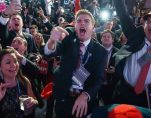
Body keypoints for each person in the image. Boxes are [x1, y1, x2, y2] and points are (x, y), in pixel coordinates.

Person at [44, 9, 107, 118]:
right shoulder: (68, 36)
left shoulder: (100, 51)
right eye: (79, 21)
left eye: (87, 21)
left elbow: (98, 79)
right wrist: (51, 41)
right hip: (63, 98)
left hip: (84, 103)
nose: (82, 23)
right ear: (75, 26)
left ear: (93, 27)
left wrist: (86, 95)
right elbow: (50, 53)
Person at [112, 0, 151, 107]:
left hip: (147, 99)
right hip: (125, 93)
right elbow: (123, 15)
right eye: (148, 22)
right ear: (144, 25)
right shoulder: (135, 35)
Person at [0, 49, 38, 118]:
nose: (13, 65)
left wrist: (33, 102)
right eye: (8, 62)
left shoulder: (24, 81)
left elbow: (35, 100)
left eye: (15, 61)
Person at [98, 30, 119, 105]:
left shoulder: (119, 53)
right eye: (104, 36)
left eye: (108, 37)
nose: (106, 38)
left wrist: (116, 71)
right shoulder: (95, 51)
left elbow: (123, 70)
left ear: (112, 39)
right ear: (101, 39)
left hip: (111, 86)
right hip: (97, 84)